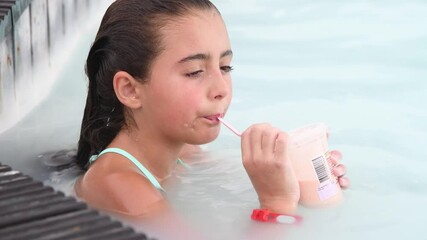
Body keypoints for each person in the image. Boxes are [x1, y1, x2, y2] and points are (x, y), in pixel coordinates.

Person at [74, 0, 349, 220]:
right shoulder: (116, 185)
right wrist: (276, 203)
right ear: (130, 90)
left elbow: (248, 187)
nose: (221, 88)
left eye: (225, 67)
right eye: (194, 72)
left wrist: (299, 177)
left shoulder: (184, 152)